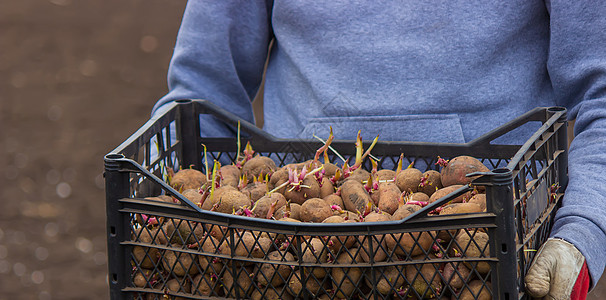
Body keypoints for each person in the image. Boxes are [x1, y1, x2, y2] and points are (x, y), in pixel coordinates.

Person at [153, 2, 606, 298]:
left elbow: (601, 96)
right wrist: (191, 229)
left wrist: (582, 233)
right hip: (294, 254)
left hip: (485, 247)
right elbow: (202, 93)